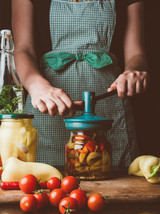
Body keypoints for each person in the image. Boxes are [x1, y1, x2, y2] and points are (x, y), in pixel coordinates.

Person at [12, 0, 149, 169]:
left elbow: (137, 54)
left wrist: (134, 71)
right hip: (46, 107)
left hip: (109, 106)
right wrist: (36, 85)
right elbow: (22, 49)